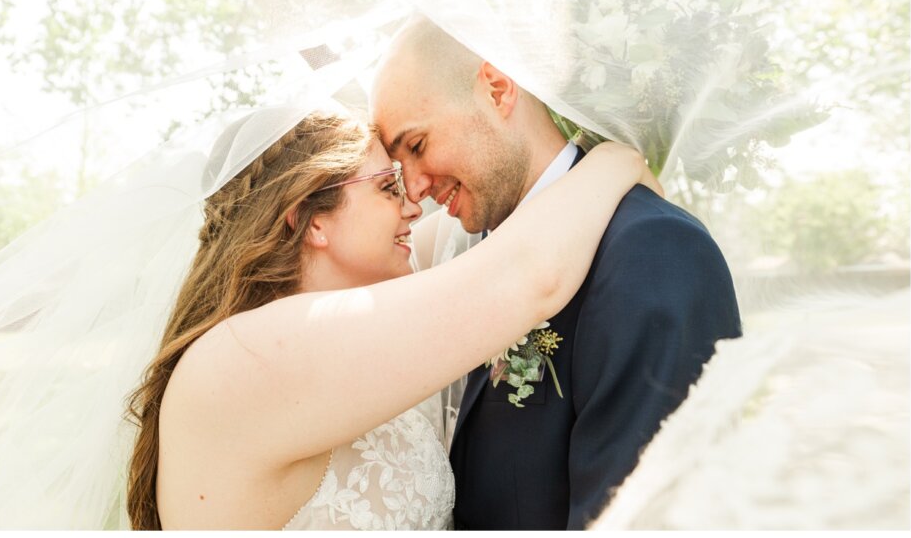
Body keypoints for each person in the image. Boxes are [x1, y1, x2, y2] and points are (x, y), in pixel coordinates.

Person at [124, 109, 661, 529]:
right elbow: (525, 275)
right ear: (309, 219)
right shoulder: (249, 354)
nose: (412, 207)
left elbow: (493, 227)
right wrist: (616, 158)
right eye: (388, 188)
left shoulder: (341, 328)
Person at [370, 15, 743, 530]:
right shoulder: (474, 254)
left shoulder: (653, 252)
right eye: (396, 167)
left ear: (497, 90)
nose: (413, 190)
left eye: (416, 146)